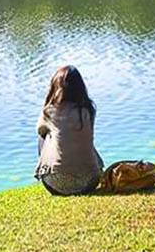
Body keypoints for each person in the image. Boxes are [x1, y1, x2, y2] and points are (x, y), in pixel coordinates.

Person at [35, 65, 104, 196]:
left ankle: (52, 170)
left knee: (43, 137)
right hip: (91, 181)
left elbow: (40, 130)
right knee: (81, 136)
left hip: (58, 185)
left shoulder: (50, 111)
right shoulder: (89, 109)